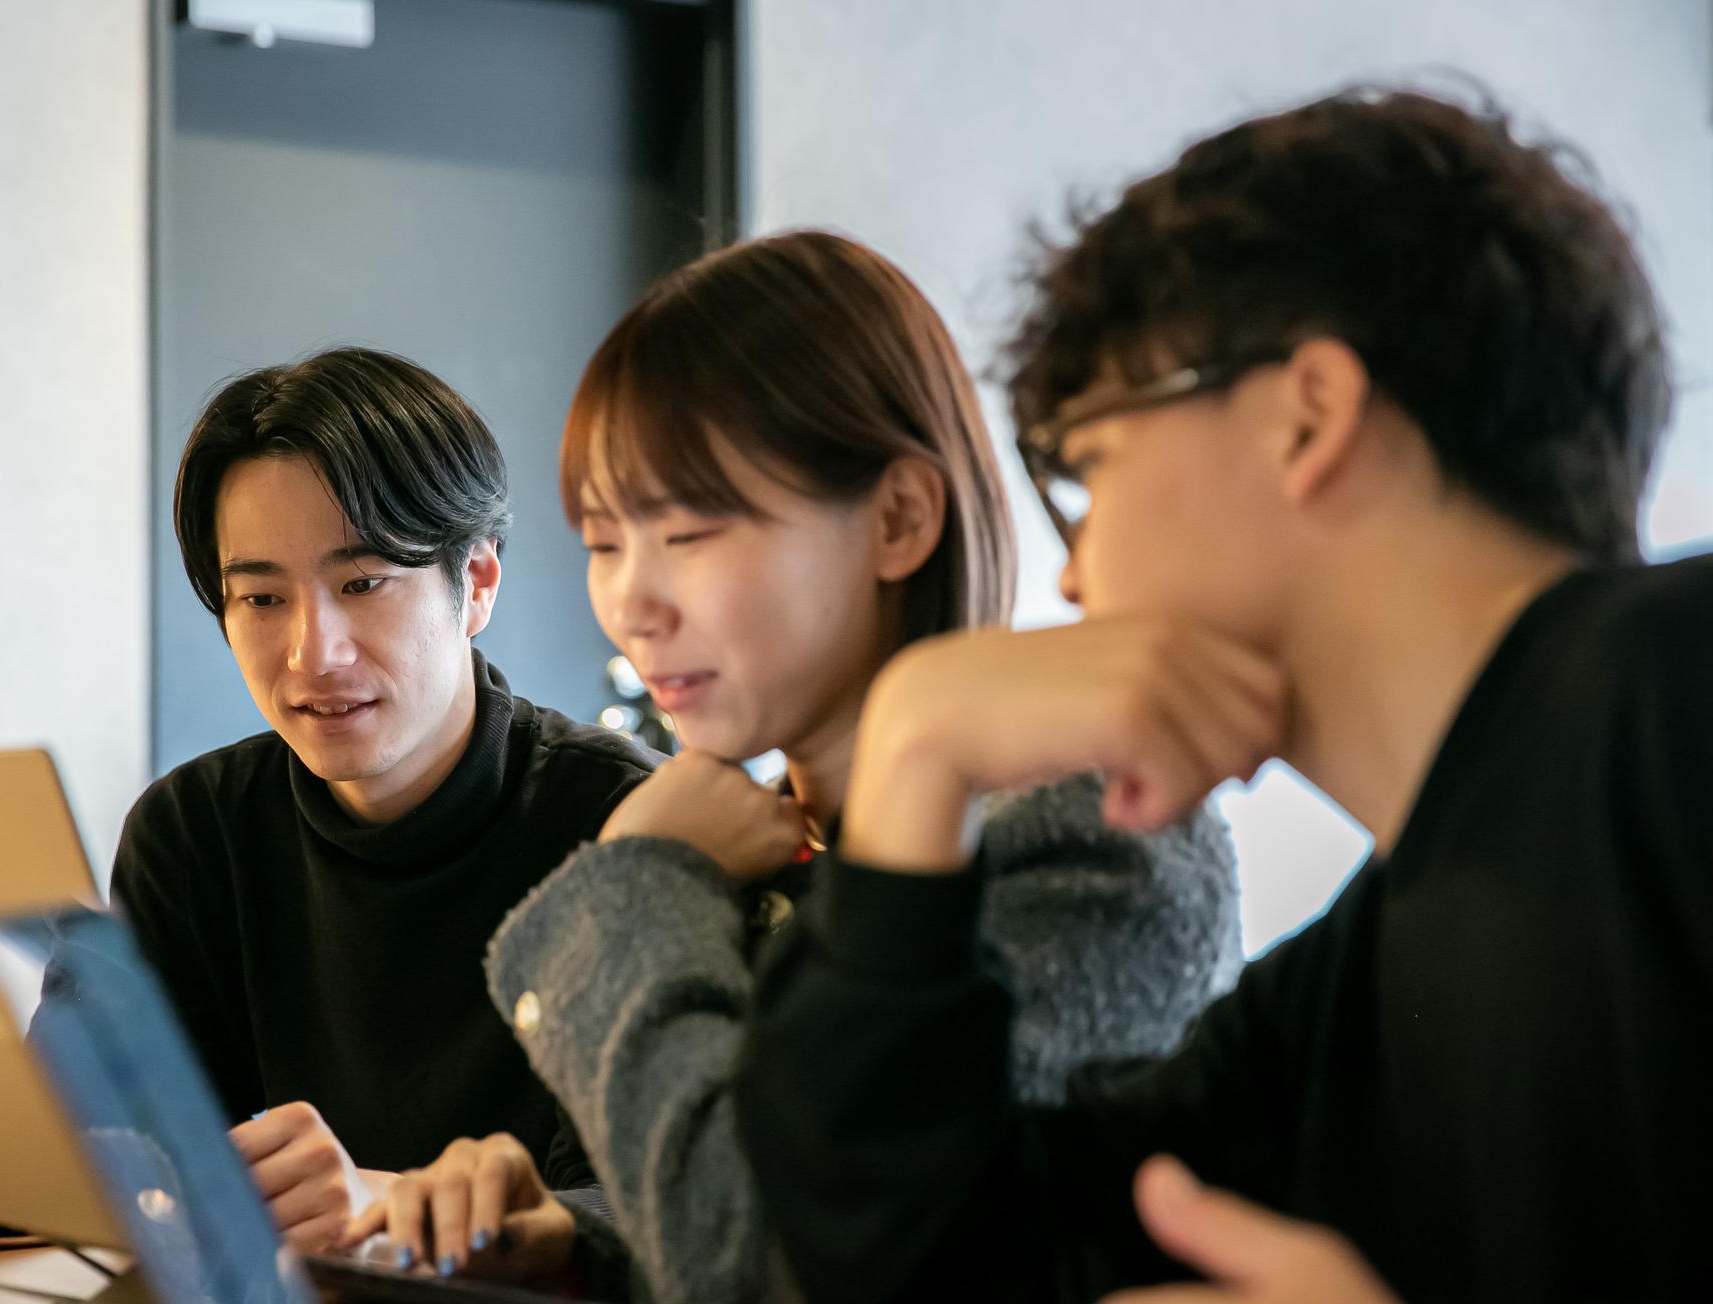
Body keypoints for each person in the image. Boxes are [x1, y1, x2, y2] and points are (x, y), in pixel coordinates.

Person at [733, 88, 1711, 1301]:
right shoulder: (1348, 982)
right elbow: (915, 1264)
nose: (1075, 573)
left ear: (1308, 417)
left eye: (1089, 464)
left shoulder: (1672, 688)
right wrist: (914, 748)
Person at [350, 231, 1243, 1298]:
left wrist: (636, 881)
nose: (632, 603)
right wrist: (582, 1244)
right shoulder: (765, 842)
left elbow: (795, 1267)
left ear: (899, 519)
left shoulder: (1093, 837)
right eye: (604, 542)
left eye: (688, 532)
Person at [111, 347, 658, 1255]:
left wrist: (377, 1204)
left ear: (475, 583)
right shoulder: (194, 832)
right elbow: (101, 1145)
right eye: (261, 598)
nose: (312, 654)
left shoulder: (625, 823)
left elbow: (652, 1218)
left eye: (362, 584)